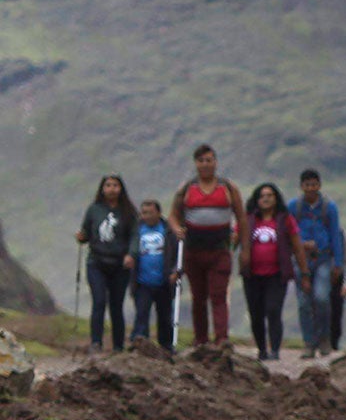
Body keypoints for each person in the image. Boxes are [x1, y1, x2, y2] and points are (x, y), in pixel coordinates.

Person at [170, 146, 243, 349]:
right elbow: (173, 215)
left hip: (219, 250)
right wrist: (177, 229)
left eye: (209, 160)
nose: (205, 164)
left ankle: (221, 338)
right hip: (193, 251)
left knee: (218, 295)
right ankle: (200, 339)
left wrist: (241, 245)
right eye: (201, 161)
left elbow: (241, 216)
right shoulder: (186, 188)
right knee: (198, 296)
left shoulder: (228, 188)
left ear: (216, 162)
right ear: (196, 163)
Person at [240, 184, 310, 362]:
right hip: (252, 275)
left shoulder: (285, 219)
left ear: (276, 198)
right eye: (262, 195)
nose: (266, 199)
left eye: (270, 195)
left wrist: (304, 272)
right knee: (256, 313)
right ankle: (262, 349)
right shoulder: (248, 219)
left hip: (277, 274)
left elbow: (297, 246)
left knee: (273, 310)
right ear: (256, 199)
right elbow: (234, 239)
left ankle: (275, 349)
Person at [288, 169, 346, 356]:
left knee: (321, 297)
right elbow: (288, 233)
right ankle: (308, 342)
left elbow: (336, 235)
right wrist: (300, 246)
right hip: (301, 259)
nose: (311, 188)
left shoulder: (329, 207)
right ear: (302, 186)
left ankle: (324, 338)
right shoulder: (293, 207)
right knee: (304, 302)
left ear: (319, 185)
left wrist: (338, 263)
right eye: (307, 185)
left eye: (314, 184)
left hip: (323, 258)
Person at [75, 174, 137, 353]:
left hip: (119, 265)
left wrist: (131, 254)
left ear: (121, 189)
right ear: (102, 189)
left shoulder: (128, 212)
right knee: (99, 301)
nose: (111, 189)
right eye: (108, 185)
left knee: (116, 305)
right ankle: (96, 343)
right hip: (97, 262)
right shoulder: (94, 210)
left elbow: (135, 235)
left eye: (115, 185)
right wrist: (81, 237)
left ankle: (118, 345)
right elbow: (86, 232)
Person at [128, 199, 176, 351]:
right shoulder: (136, 230)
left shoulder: (168, 230)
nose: (146, 216)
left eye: (150, 213)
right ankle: (140, 344)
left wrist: (177, 272)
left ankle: (166, 346)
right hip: (142, 282)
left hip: (164, 282)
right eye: (144, 213)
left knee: (165, 317)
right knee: (141, 314)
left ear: (158, 213)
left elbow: (177, 253)